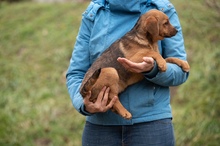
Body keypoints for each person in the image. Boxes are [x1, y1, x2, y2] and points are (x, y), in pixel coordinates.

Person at [66, 0, 189, 145]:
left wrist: (153, 69)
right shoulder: (94, 13)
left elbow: (180, 73)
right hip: (100, 126)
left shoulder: (161, 9)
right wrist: (84, 104)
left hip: (151, 126)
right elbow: (76, 73)